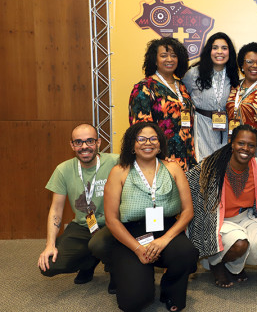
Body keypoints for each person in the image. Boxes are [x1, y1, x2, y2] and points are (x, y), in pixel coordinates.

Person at [104, 122, 198, 312]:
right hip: (132, 235)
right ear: (132, 144)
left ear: (160, 143)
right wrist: (138, 249)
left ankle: (170, 289)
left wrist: (163, 240)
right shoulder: (119, 171)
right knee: (134, 302)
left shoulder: (173, 168)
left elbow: (188, 211)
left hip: (166, 230)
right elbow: (111, 220)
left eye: (153, 138)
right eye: (141, 139)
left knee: (187, 253)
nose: (148, 143)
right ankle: (121, 271)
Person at [186, 124, 257, 288]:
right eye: (241, 143)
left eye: (251, 145)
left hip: (246, 218)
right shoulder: (211, 165)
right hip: (219, 222)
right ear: (231, 143)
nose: (246, 149)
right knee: (240, 244)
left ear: (256, 147)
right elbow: (187, 182)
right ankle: (216, 263)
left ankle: (234, 265)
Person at [38, 123, 118, 293]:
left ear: (99, 143)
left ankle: (116, 272)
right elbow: (56, 209)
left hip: (113, 225)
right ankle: (88, 262)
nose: (84, 147)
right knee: (50, 265)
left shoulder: (115, 162)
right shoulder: (63, 169)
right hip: (84, 225)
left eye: (90, 141)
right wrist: (49, 245)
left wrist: (165, 162)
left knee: (101, 244)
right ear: (72, 145)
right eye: (78, 142)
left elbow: (144, 163)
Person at [129, 37, 197, 171]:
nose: (169, 59)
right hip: (161, 160)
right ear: (155, 59)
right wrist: (159, 155)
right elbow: (141, 130)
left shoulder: (182, 86)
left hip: (187, 158)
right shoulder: (144, 88)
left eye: (174, 55)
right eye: (164, 55)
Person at [182, 32, 240, 162]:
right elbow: (182, 97)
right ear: (209, 51)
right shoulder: (193, 74)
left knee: (222, 167)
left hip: (224, 130)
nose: (219, 52)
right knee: (203, 168)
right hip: (201, 128)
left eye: (224, 48)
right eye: (215, 48)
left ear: (229, 52)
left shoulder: (233, 75)